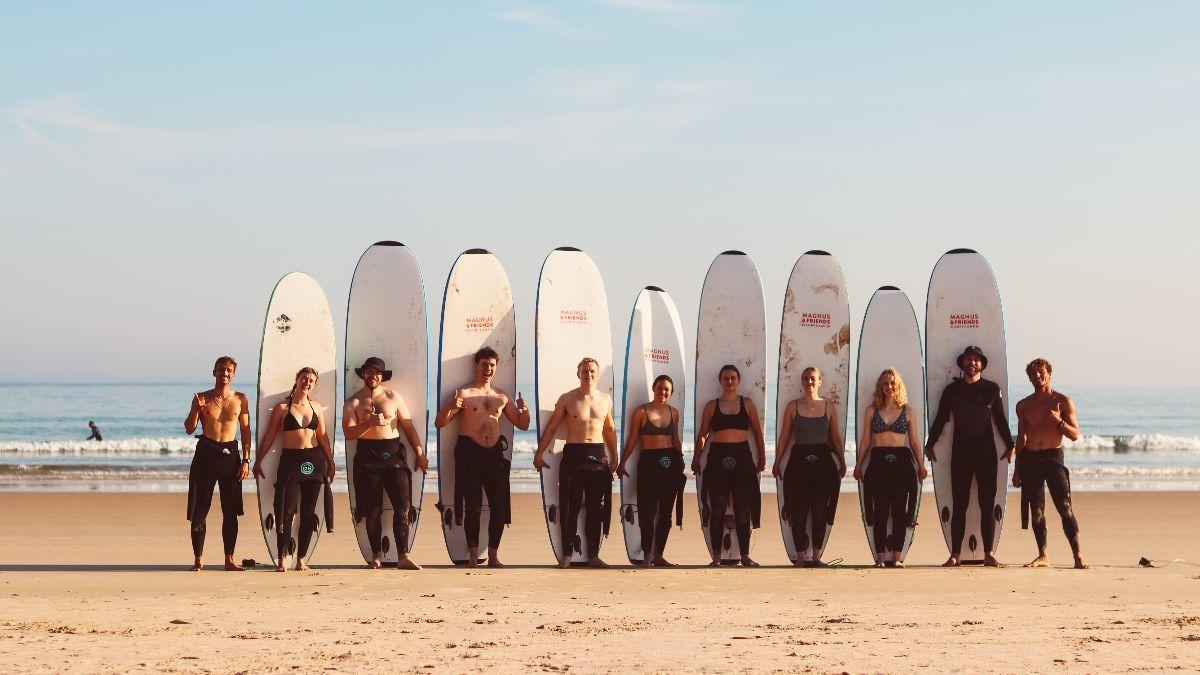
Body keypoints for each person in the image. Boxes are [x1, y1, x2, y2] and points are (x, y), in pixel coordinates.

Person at [434, 347, 530, 568]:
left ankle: (494, 557)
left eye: (492, 365)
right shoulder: (464, 394)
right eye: (484, 364)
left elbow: (523, 425)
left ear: (496, 368)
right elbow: (440, 423)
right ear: (476, 366)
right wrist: (450, 406)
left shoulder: (501, 396)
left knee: (499, 507)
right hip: (470, 453)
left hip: (494, 453)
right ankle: (473, 557)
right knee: (474, 507)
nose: (488, 369)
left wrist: (525, 411)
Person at [926, 346, 1014, 567]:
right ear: (962, 363)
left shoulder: (992, 390)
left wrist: (1010, 444)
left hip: (986, 454)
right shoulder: (951, 391)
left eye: (976, 360)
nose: (972, 363)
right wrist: (930, 444)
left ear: (982, 364)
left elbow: (1000, 420)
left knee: (987, 503)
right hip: (961, 453)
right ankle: (955, 554)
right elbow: (941, 419)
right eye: (968, 359)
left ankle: (989, 554)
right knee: (960, 504)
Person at [343, 357, 429, 571]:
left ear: (383, 375)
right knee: (372, 510)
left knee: (403, 506)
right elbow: (348, 433)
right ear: (363, 373)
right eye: (369, 372)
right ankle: (376, 556)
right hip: (367, 457)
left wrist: (419, 452)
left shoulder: (393, 397)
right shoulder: (353, 402)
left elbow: (408, 427)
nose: (373, 376)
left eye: (377, 372)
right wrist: (367, 424)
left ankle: (403, 555)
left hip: (393, 457)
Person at [534, 357, 618, 569]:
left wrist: (615, 456)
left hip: (598, 456)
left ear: (597, 374)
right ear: (578, 373)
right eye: (584, 370)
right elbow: (552, 427)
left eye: (591, 371)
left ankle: (593, 555)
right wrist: (539, 453)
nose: (588, 374)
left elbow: (609, 430)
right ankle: (567, 555)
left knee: (594, 508)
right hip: (573, 454)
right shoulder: (567, 399)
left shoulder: (606, 399)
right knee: (570, 507)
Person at [254, 367, 336, 572]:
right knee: (286, 512)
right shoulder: (282, 408)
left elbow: (323, 437)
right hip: (291, 462)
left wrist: (331, 462)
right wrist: (258, 461)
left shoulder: (316, 407)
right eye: (304, 378)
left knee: (308, 515)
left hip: (314, 461)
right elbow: (270, 436)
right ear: (297, 379)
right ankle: (282, 559)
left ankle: (301, 559)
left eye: (311, 380)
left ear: (315, 384)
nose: (307, 382)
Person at [1014, 358, 1088, 569]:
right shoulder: (1023, 405)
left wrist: (1059, 422)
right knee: (1036, 510)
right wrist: (1017, 469)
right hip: (1030, 460)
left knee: (1065, 508)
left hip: (1053, 458)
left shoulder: (1063, 401)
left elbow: (1074, 434)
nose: (1038, 377)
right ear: (1029, 378)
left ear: (1049, 373)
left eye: (1041, 372)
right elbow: (1021, 440)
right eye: (1033, 374)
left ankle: (1078, 556)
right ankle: (1043, 555)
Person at [692, 365, 766, 567]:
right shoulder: (711, 406)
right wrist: (696, 457)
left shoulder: (747, 404)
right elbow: (703, 435)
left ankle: (744, 555)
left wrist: (762, 456)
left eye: (733, 378)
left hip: (742, 457)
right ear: (720, 381)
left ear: (738, 380)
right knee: (718, 508)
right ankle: (716, 556)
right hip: (718, 458)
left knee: (743, 509)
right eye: (725, 378)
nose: (729, 381)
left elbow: (758, 434)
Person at [183, 356, 252, 571]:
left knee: (230, 511)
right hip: (206, 454)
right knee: (200, 509)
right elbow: (189, 428)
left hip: (230, 456)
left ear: (234, 374)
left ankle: (229, 559)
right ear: (214, 372)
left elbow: (246, 431)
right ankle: (198, 558)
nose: (225, 373)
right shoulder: (202, 398)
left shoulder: (241, 399)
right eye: (221, 369)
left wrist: (246, 460)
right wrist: (195, 409)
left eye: (229, 370)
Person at [853, 368, 927, 568]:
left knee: (899, 511)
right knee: (880, 512)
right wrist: (859, 465)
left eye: (892, 383)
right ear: (880, 386)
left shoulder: (907, 410)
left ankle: (896, 557)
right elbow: (867, 440)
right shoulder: (872, 410)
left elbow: (914, 441)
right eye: (885, 383)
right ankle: (879, 558)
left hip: (902, 463)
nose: (889, 387)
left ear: (898, 385)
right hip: (878, 462)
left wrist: (921, 465)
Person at [772, 367, 845, 567]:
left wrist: (842, 460)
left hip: (822, 461)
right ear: (802, 382)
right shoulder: (792, 407)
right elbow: (785, 438)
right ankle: (801, 557)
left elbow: (835, 438)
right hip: (799, 461)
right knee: (799, 510)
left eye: (812, 379)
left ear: (820, 381)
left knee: (820, 510)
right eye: (805, 378)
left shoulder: (828, 407)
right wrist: (777, 462)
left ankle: (816, 556)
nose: (809, 382)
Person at [615, 374, 686, 567]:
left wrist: (681, 462)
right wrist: (622, 463)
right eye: (660, 388)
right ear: (654, 388)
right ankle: (647, 555)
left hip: (670, 464)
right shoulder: (641, 411)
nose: (663, 392)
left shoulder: (674, 413)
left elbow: (676, 440)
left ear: (670, 393)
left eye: (667, 390)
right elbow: (632, 439)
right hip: (649, 463)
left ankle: (659, 554)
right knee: (647, 512)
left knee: (665, 513)